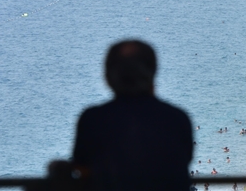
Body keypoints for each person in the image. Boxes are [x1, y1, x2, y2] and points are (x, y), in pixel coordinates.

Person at [72, 40, 193, 190]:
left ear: (108, 77)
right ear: (153, 72)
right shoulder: (177, 119)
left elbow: (82, 168)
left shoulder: (93, 119)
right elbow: (182, 162)